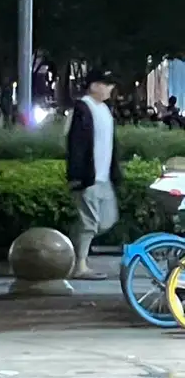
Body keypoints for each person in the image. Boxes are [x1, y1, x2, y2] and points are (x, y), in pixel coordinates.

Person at [66, 68, 120, 280]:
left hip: (104, 177)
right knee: (89, 223)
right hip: (88, 177)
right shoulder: (82, 108)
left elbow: (111, 144)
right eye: (106, 84)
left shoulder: (105, 110)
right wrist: (77, 176)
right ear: (94, 86)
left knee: (107, 220)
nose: (110, 88)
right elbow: (76, 144)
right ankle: (79, 265)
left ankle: (67, 248)